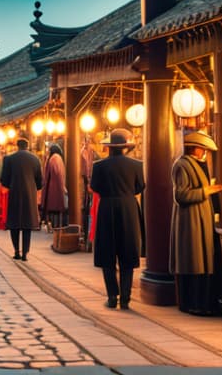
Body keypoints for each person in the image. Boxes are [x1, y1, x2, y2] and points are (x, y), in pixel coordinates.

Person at [171, 130, 222, 315]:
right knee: (193, 260)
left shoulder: (196, 164)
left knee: (202, 260)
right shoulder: (182, 165)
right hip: (191, 221)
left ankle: (203, 302)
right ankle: (192, 303)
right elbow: (180, 195)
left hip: (201, 219)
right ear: (195, 149)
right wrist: (206, 191)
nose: (204, 153)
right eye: (203, 149)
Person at [91, 128, 144, 309]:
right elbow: (140, 187)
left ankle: (112, 296)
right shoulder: (137, 165)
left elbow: (95, 187)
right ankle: (126, 299)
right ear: (125, 147)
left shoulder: (98, 166)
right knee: (127, 253)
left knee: (107, 254)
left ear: (109, 147)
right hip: (129, 208)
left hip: (106, 208)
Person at [0, 137, 42, 261]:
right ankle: (25, 253)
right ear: (27, 146)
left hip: (14, 194)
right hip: (29, 195)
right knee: (27, 225)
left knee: (14, 224)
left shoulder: (9, 159)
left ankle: (16, 251)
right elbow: (39, 181)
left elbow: (4, 179)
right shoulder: (35, 159)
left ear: (17, 146)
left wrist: (10, 184)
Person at [41, 143, 67, 229]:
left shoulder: (54, 158)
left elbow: (55, 173)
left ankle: (54, 226)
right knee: (56, 208)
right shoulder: (58, 158)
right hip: (57, 186)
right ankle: (55, 225)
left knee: (53, 207)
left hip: (54, 187)